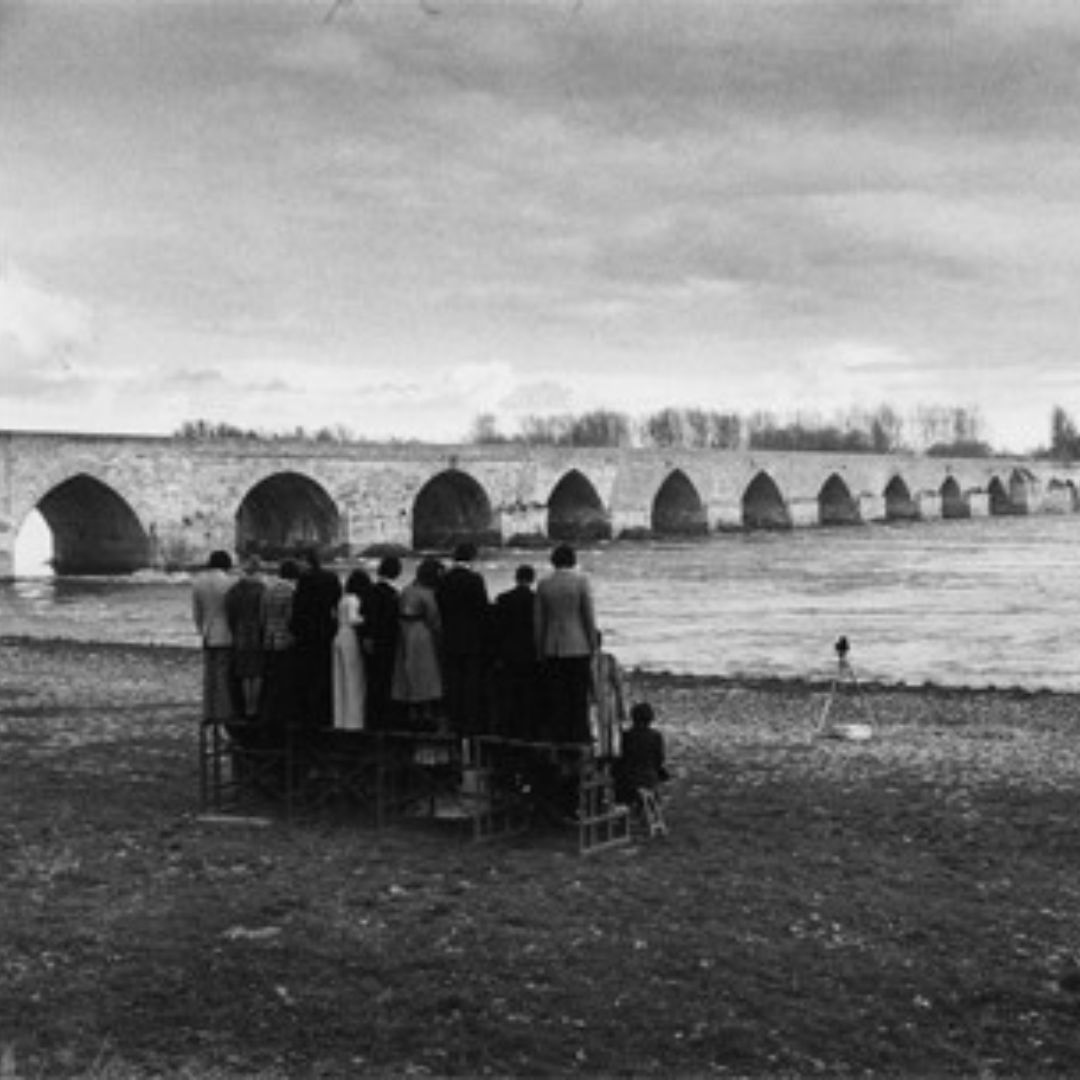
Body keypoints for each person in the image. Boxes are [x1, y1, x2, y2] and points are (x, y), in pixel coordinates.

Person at [534, 543, 598, 743]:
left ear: (553, 561)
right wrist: (593, 644)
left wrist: (540, 648)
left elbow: (538, 621)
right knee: (578, 694)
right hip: (578, 644)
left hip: (552, 646)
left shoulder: (544, 584)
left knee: (557, 694)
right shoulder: (581, 581)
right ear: (573, 560)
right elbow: (588, 616)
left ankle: (559, 733)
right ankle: (579, 733)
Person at [435, 542, 491, 736]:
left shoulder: (444, 580)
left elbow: (439, 608)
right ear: (473, 558)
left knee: (453, 683)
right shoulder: (475, 580)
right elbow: (482, 611)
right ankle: (470, 726)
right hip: (471, 640)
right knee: (470, 685)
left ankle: (453, 723)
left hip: (450, 638)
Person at [289, 547, 342, 730]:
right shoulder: (332, 578)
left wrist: (294, 630)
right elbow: (337, 602)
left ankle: (309, 715)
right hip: (326, 630)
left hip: (308, 633)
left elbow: (299, 608)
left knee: (308, 675)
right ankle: (325, 712)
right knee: (325, 672)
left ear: (307, 561)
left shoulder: (305, 580)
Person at [391, 556, 444, 730]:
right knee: (427, 675)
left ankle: (410, 712)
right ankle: (427, 713)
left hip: (404, 633)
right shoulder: (428, 594)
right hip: (422, 634)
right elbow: (434, 619)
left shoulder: (407, 590)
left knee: (407, 675)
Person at [492, 563, 539, 740]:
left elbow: (497, 629)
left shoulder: (503, 599)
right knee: (528, 693)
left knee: (509, 694)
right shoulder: (536, 600)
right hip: (530, 653)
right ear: (532, 579)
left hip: (508, 653)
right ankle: (528, 730)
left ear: (516, 578)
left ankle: (508, 730)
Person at [192, 549, 237, 725]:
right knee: (223, 675)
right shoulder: (230, 583)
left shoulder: (198, 582)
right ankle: (223, 711)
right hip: (226, 633)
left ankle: (208, 711)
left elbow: (197, 613)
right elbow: (233, 610)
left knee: (209, 675)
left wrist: (201, 630)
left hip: (208, 633)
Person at [260, 558, 300, 744]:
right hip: (284, 641)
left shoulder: (267, 590)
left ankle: (267, 718)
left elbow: (262, 617)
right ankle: (282, 719)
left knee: (270, 681)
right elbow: (291, 619)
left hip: (268, 640)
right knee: (283, 682)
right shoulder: (291, 591)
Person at [361, 555, 402, 730]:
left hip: (372, 643)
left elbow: (365, 617)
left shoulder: (369, 591)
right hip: (389, 643)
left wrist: (368, 637)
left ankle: (372, 720)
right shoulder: (393, 595)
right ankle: (386, 722)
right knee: (386, 683)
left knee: (372, 683)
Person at [225, 555, 267, 720]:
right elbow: (264, 614)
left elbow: (230, 613)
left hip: (240, 632)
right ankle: (254, 708)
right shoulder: (262, 589)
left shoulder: (234, 590)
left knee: (244, 673)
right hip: (256, 633)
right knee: (256, 673)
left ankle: (246, 708)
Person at [333, 568, 370, 731]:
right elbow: (354, 619)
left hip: (338, 636)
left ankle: (340, 719)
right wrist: (367, 619)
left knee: (339, 679)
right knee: (353, 678)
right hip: (350, 636)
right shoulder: (355, 600)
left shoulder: (343, 599)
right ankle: (354, 720)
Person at [615, 701, 669, 805]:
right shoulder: (656, 736)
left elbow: (624, 757)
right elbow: (659, 759)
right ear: (650, 718)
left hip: (630, 779)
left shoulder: (627, 735)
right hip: (649, 778)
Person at [590, 630, 627, 759]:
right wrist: (621, 706)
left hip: (603, 700)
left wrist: (621, 706)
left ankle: (604, 758)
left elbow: (618, 685)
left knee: (605, 731)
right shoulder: (608, 659)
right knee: (605, 731)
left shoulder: (607, 660)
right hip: (604, 699)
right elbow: (618, 685)